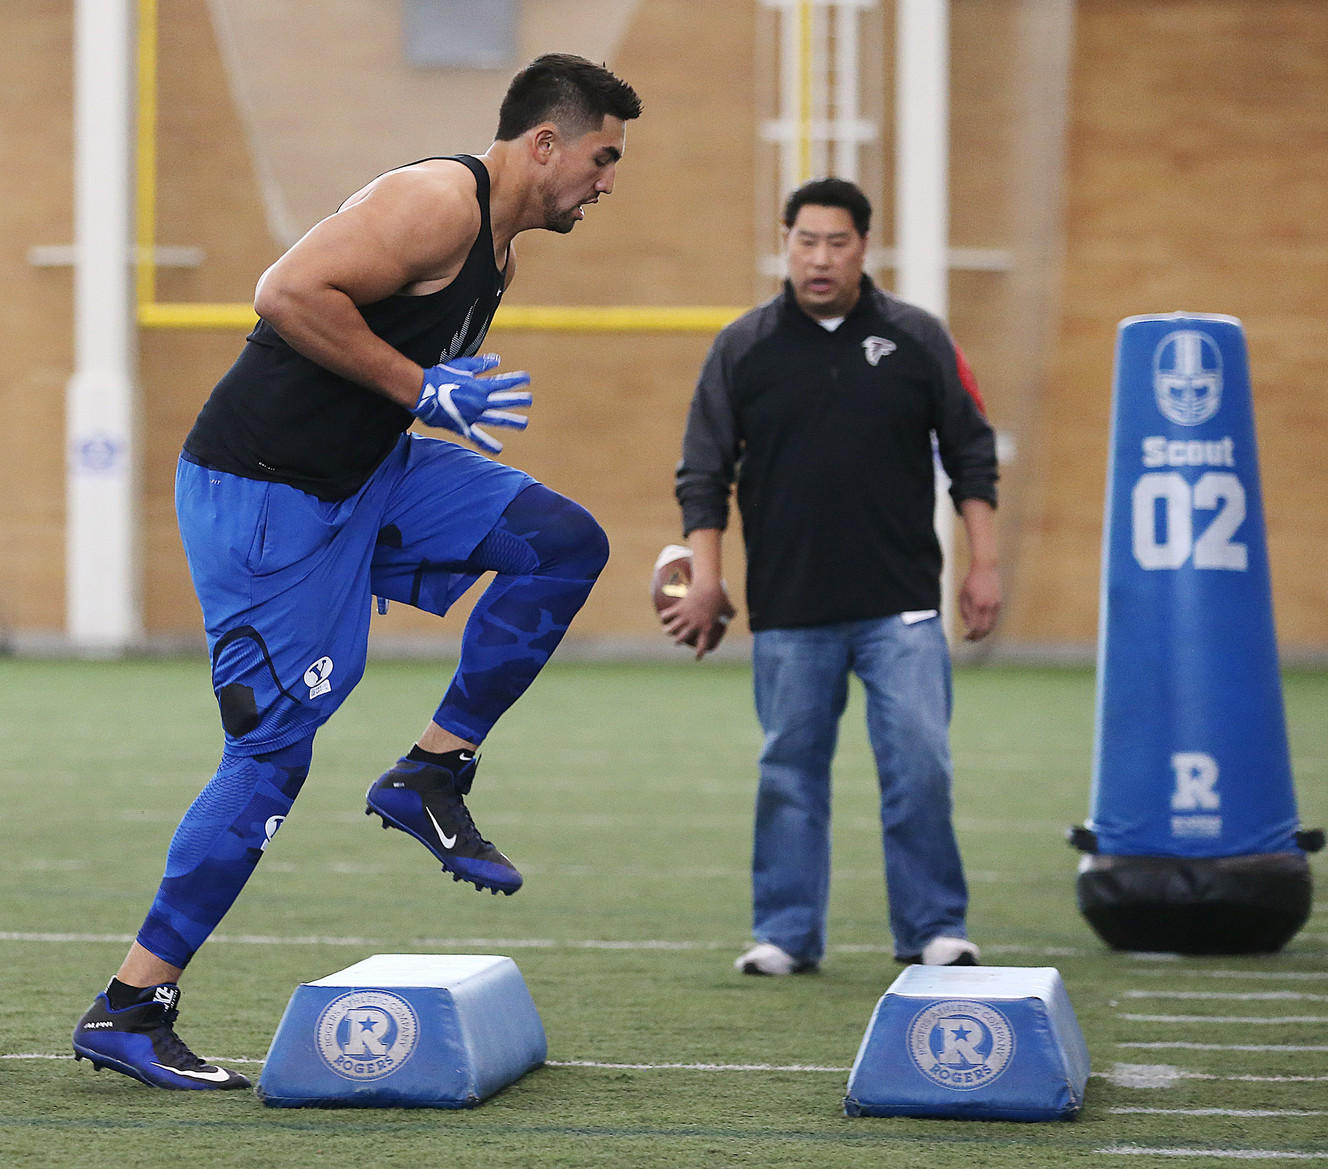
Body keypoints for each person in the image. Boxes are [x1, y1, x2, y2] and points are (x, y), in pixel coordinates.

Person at [72, 54, 642, 1090]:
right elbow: (285, 291)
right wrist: (424, 387)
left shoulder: (502, 256)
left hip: (367, 471)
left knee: (560, 542)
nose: (607, 182)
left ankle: (431, 768)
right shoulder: (436, 200)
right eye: (602, 158)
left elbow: (391, 367)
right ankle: (130, 1003)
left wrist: (423, 393)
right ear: (545, 142)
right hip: (264, 490)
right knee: (270, 751)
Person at [668, 177, 1000, 976]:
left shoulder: (919, 338)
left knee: (920, 765)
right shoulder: (742, 347)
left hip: (903, 607)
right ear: (785, 241)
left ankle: (932, 927)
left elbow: (971, 454)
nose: (820, 257)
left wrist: (984, 562)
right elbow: (703, 473)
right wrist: (706, 580)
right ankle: (786, 931)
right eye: (806, 240)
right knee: (790, 773)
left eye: (837, 242)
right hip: (789, 609)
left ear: (864, 247)